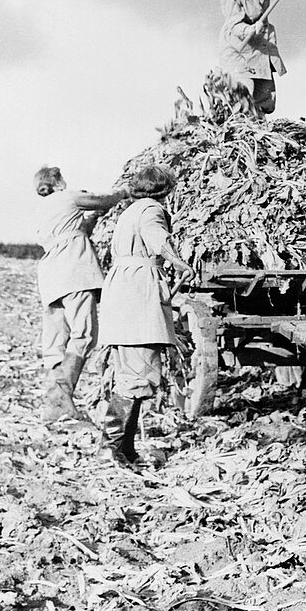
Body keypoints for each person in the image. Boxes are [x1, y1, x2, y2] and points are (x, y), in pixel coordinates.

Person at [96, 164, 194, 467]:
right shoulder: (152, 209)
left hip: (122, 287)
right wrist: (178, 262)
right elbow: (157, 239)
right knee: (137, 375)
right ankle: (109, 449)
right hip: (138, 291)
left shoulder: (129, 211)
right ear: (164, 189)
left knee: (131, 373)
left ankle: (124, 450)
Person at [34, 167, 128, 423]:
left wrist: (93, 219)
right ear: (58, 181)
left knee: (55, 341)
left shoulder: (43, 208)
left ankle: (53, 404)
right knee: (84, 335)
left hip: (50, 276)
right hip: (74, 271)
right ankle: (61, 399)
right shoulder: (69, 197)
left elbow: (75, 230)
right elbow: (103, 200)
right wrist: (124, 191)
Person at [218, 0, 306, 115]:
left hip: (259, 48)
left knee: (263, 94)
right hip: (238, 48)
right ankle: (238, 124)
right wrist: (251, 29)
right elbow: (234, 25)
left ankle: (259, 125)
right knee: (243, 90)